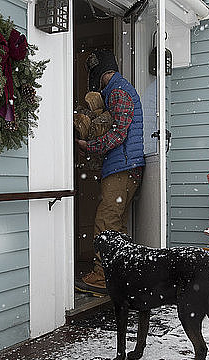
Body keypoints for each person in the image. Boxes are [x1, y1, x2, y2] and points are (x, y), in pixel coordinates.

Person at [75, 49, 145, 296]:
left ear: (101, 74)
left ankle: (102, 277)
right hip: (125, 167)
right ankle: (118, 277)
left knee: (106, 223)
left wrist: (90, 146)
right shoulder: (120, 90)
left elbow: (119, 134)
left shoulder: (118, 92)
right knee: (117, 226)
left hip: (122, 169)